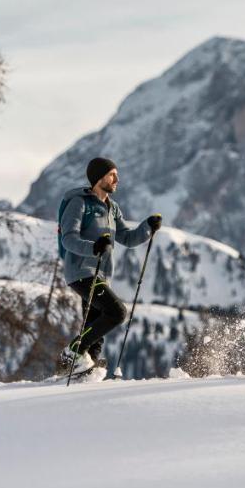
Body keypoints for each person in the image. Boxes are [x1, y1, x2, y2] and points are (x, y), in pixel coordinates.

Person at [55, 156, 162, 377]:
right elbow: (68, 238)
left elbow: (127, 238)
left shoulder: (112, 208)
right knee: (116, 312)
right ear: (98, 177)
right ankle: (74, 350)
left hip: (102, 274)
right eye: (112, 174)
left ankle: (84, 371)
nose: (117, 179)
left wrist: (148, 227)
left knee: (95, 328)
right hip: (81, 271)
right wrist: (93, 247)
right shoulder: (79, 203)